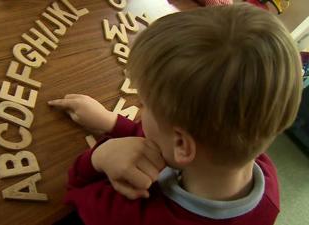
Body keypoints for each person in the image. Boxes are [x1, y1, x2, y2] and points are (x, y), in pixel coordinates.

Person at [48, 3, 302, 225]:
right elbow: (178, 138)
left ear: (182, 144)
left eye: (145, 104)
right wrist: (112, 122)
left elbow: (75, 192)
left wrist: (100, 156)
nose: (141, 110)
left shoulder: (130, 214)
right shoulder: (264, 178)